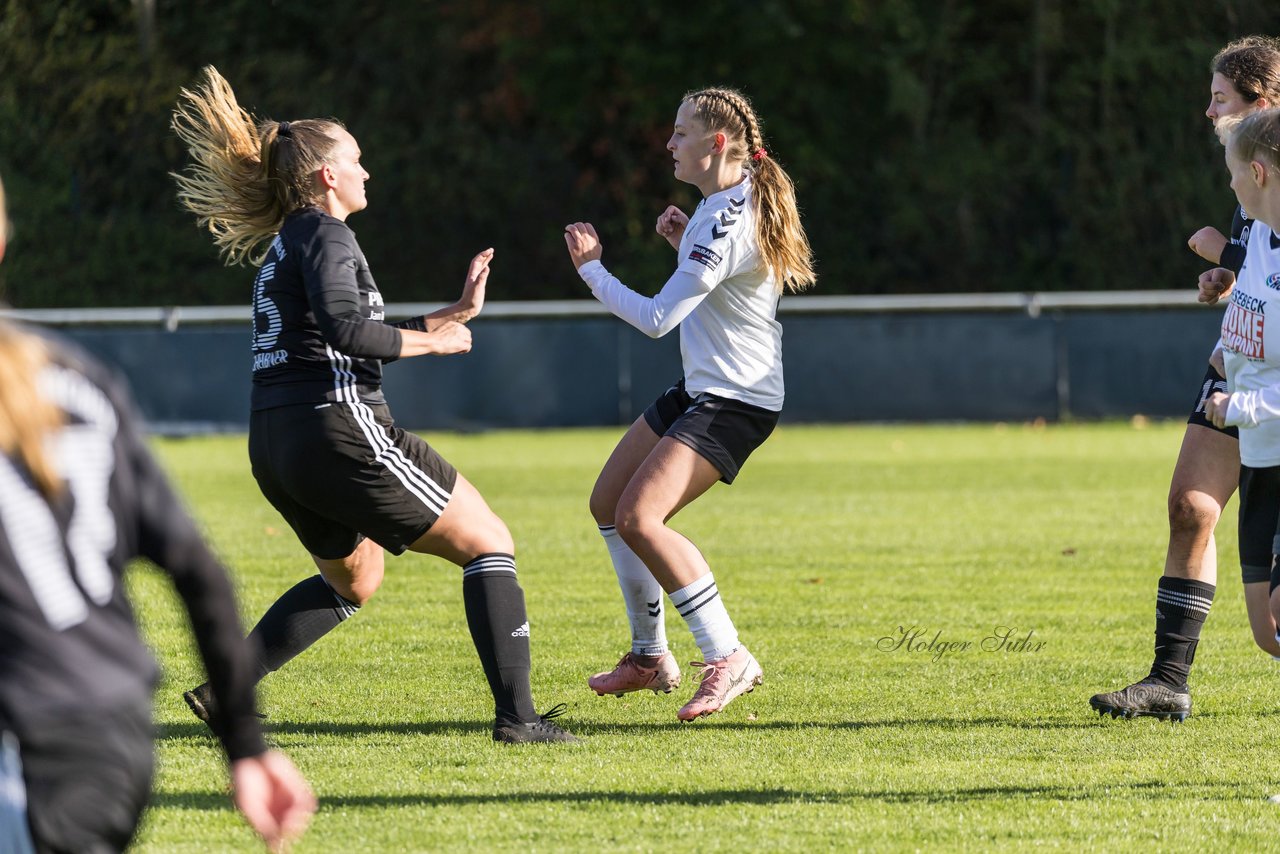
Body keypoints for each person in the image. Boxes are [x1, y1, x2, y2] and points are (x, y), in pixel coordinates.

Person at [170, 66, 576, 744]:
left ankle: (226, 692)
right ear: (327, 175)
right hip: (340, 430)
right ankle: (519, 719)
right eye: (356, 160)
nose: (367, 171)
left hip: (277, 444)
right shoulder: (328, 236)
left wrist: (454, 312)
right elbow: (346, 333)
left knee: (354, 581)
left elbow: (341, 330)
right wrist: (436, 343)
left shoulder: (291, 242)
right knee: (489, 542)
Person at [0, 172, 315, 851]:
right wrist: (246, 747)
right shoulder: (78, 379)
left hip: (26, 741)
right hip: (110, 737)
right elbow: (198, 571)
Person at [563, 87, 815, 720]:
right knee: (608, 502)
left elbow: (657, 319)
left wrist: (592, 270)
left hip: (737, 398)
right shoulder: (721, 205)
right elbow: (729, 285)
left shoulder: (726, 218)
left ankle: (728, 656)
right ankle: (649, 657)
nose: (669, 143)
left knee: (640, 517)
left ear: (717, 143)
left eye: (680, 133)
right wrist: (684, 245)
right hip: (706, 387)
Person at [1091, 36, 1280, 722]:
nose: (1208, 110)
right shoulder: (1249, 176)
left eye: (1220, 97)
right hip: (1240, 368)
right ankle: (1168, 681)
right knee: (1190, 507)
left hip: (1270, 389)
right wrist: (1227, 272)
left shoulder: (1263, 169)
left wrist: (1222, 250)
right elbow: (1263, 267)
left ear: (1265, 102)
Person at [1199, 106, 1280, 699]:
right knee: (1268, 633)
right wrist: (1228, 356)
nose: (1229, 186)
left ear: (1257, 172)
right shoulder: (1257, 249)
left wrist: (1242, 406)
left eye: (1232, 173)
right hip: (1259, 461)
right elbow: (1248, 324)